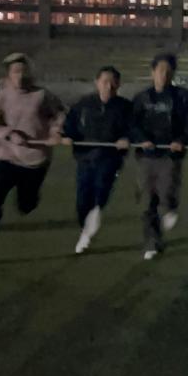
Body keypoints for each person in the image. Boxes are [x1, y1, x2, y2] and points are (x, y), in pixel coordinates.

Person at [0, 53, 65, 264]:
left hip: (36, 160)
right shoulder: (1, 96)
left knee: (26, 205)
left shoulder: (42, 95)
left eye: (23, 71)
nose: (20, 75)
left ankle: (29, 200)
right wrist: (7, 133)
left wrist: (56, 131)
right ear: (8, 75)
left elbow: (59, 114)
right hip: (8, 156)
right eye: (16, 71)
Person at [130, 53, 188, 261]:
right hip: (146, 156)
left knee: (167, 189)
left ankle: (170, 207)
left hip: (171, 155)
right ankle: (152, 242)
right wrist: (141, 139)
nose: (164, 75)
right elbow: (131, 124)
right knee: (147, 200)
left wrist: (182, 140)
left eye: (168, 72)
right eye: (160, 71)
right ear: (152, 72)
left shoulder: (183, 97)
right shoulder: (142, 98)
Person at [61, 66, 133, 254]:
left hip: (110, 157)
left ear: (118, 84)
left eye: (113, 82)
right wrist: (67, 136)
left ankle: (93, 219)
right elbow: (70, 124)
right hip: (85, 157)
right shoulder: (84, 104)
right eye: (105, 82)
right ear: (97, 83)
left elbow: (132, 128)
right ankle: (85, 229)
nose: (109, 86)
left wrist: (126, 138)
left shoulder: (125, 107)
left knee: (101, 189)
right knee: (82, 198)